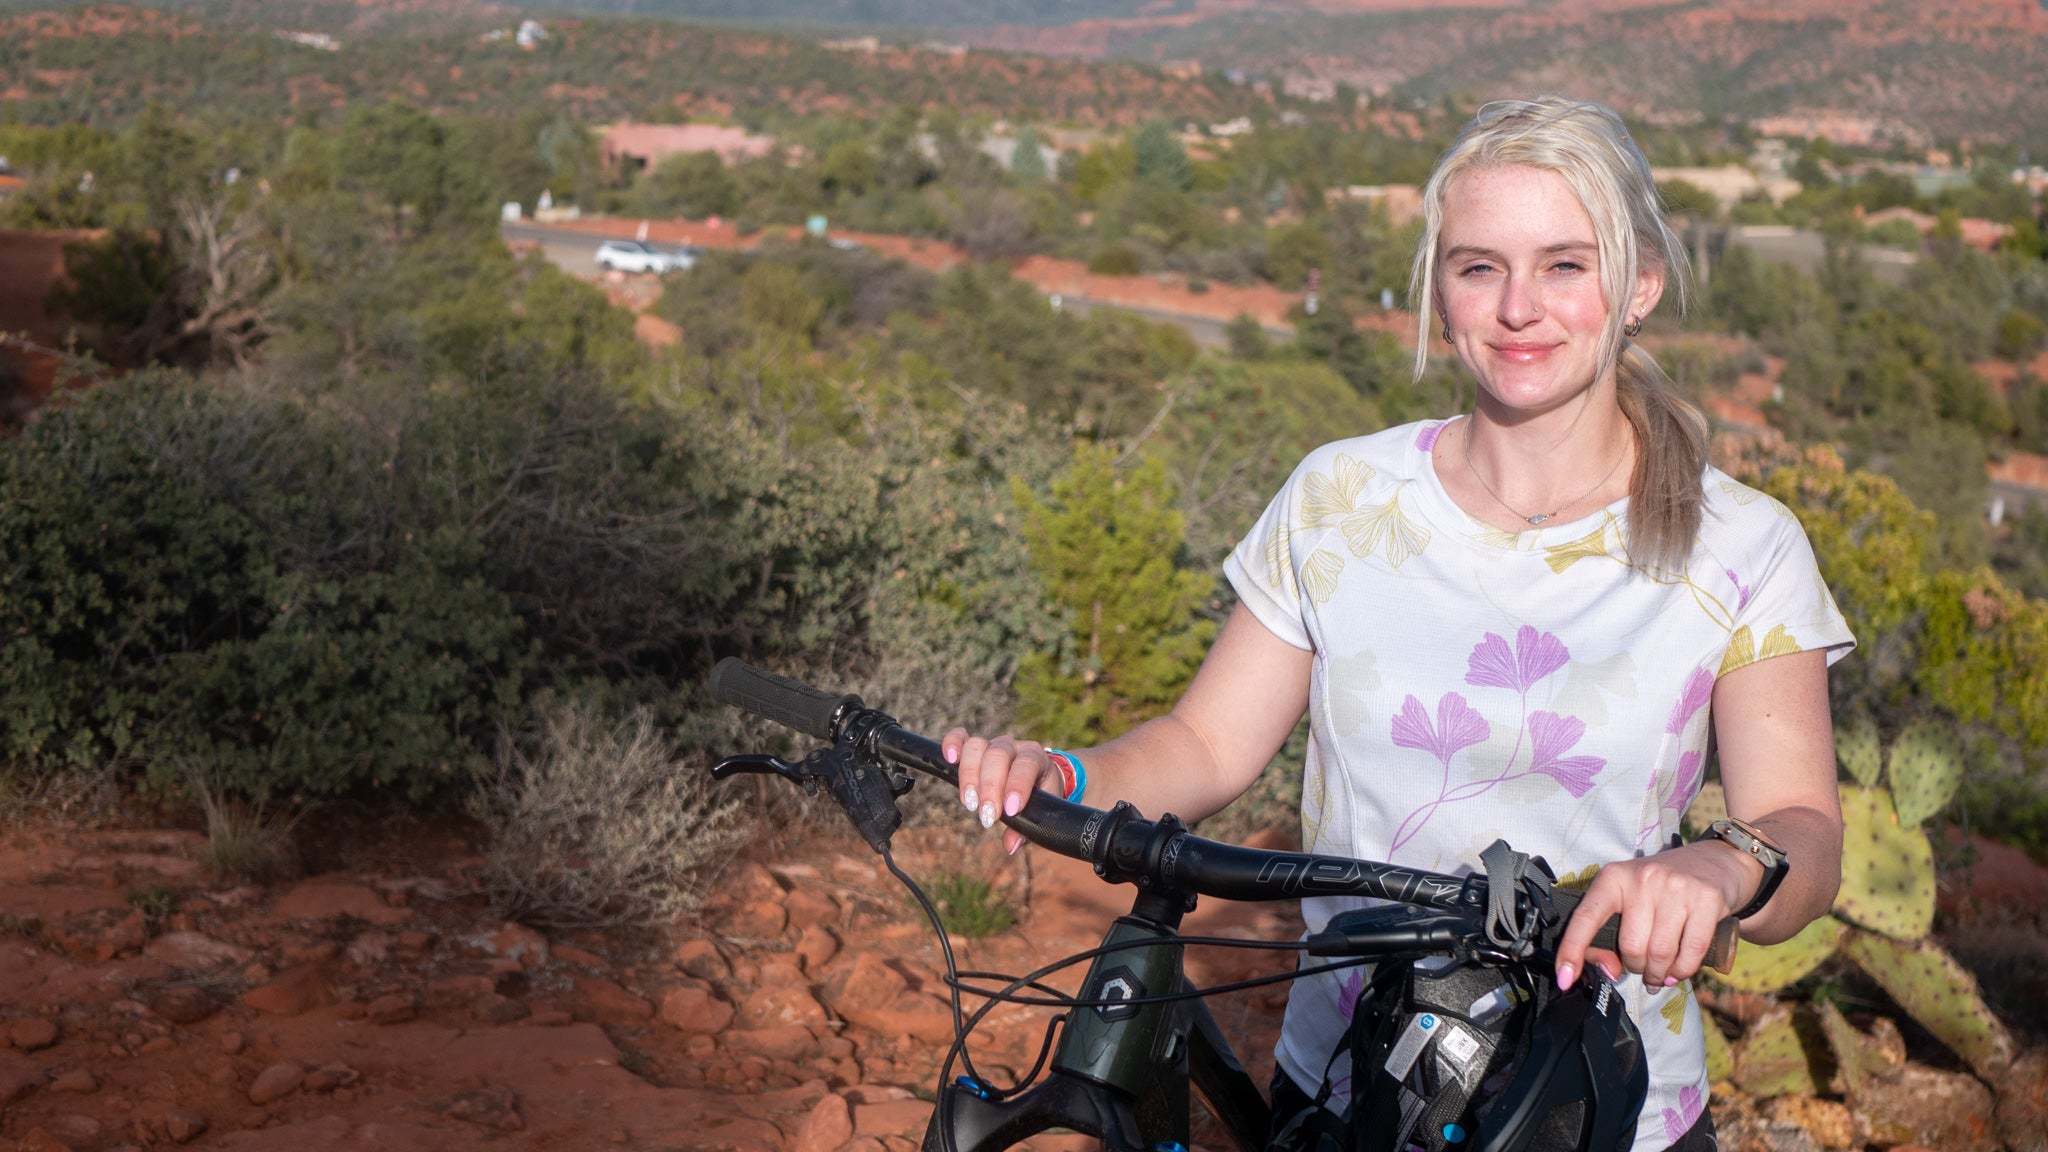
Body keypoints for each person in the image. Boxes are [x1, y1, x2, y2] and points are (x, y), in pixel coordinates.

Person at [942, 97, 1851, 1152]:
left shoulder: (1740, 544)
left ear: (1637, 283)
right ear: (1438, 289)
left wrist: (1720, 870)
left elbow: (1804, 835)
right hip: (1345, 1088)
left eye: (1565, 265)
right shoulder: (1338, 498)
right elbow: (1202, 744)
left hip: (1600, 1110)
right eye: (1477, 267)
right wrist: (1063, 778)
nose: (1518, 307)